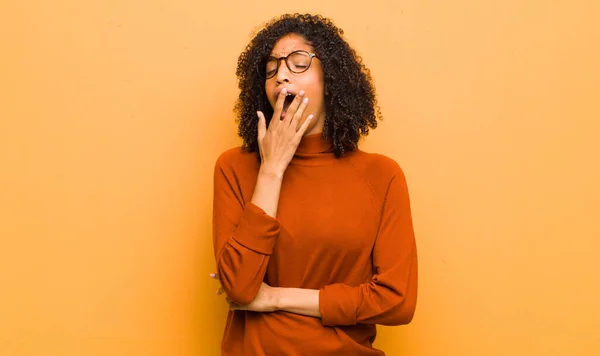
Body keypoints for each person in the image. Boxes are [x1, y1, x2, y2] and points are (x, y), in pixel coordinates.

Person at [210, 13, 418, 355]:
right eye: (272, 67)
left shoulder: (381, 176)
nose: (282, 74)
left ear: (331, 78)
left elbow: (397, 301)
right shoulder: (234, 168)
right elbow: (240, 288)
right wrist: (272, 169)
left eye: (299, 62)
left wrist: (274, 297)